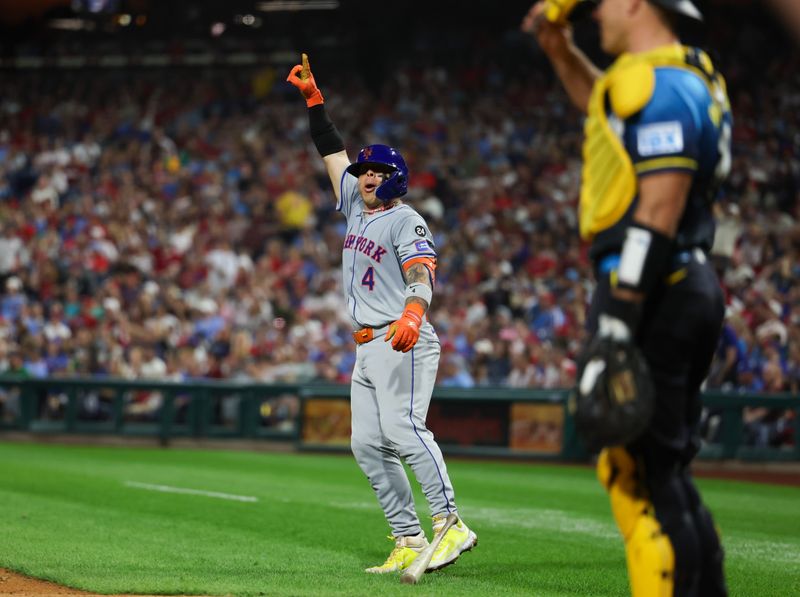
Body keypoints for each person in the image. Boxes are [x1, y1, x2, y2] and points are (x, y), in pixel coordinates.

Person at [523, 1, 730, 596]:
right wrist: (561, 52)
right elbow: (605, 110)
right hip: (680, 282)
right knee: (662, 473)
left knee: (633, 475)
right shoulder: (681, 76)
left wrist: (619, 311)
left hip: (652, 286)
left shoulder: (660, 84)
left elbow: (660, 204)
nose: (596, 14)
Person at [286, 55, 477, 574]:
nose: (366, 177)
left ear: (396, 178)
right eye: (364, 171)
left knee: (403, 429)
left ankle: (450, 521)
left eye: (378, 171)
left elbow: (422, 274)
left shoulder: (406, 219)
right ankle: (409, 538)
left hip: (402, 337)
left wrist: (415, 315)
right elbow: (331, 151)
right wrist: (314, 102)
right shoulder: (353, 205)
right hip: (365, 344)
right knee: (367, 444)